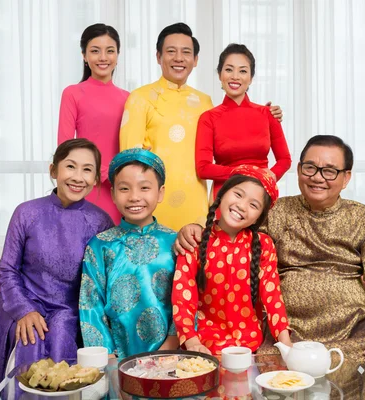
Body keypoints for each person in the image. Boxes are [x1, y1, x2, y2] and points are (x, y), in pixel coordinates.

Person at [175, 135, 365, 398]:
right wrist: (193, 227)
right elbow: (232, 223)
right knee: (268, 364)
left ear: (346, 177)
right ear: (298, 170)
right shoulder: (275, 210)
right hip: (288, 330)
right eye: (310, 167)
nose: (318, 177)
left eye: (330, 171)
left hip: (351, 328)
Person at [0, 139, 114, 399]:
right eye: (70, 166)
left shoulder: (100, 220)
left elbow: (102, 279)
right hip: (25, 299)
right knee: (30, 342)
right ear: (53, 171)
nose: (78, 177)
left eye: (87, 170)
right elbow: (7, 270)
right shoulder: (26, 213)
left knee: (61, 342)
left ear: (96, 179)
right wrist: (24, 310)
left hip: (69, 308)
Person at [119, 23, 283, 230]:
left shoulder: (204, 101)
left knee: (198, 258)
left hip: (196, 203)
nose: (179, 58)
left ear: (195, 60)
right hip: (154, 201)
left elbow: (231, 136)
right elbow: (127, 160)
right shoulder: (139, 98)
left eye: (186, 52)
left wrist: (267, 115)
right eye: (171, 51)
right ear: (158, 57)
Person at [171, 165, 292, 355]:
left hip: (250, 347)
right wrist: (192, 342)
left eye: (254, 205)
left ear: (258, 218)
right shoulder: (195, 240)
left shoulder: (264, 245)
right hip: (204, 347)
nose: (242, 206)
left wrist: (286, 345)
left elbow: (273, 296)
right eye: (238, 195)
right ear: (222, 194)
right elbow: (182, 297)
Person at [79, 148, 178, 357]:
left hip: (170, 354)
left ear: (160, 193)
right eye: (124, 189)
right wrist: (106, 355)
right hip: (117, 356)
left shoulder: (176, 243)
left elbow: (187, 300)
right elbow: (91, 303)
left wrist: (171, 344)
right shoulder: (99, 246)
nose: (134, 197)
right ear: (113, 194)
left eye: (144, 188)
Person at [195, 44, 291, 198]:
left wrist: (270, 177)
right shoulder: (209, 118)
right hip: (226, 195)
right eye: (229, 69)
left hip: (262, 192)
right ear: (220, 75)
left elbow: (285, 159)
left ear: (251, 78)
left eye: (243, 71)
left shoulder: (268, 113)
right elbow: (203, 168)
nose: (235, 76)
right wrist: (247, 173)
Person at [58, 23, 129, 224]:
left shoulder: (130, 98)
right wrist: (97, 172)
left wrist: (121, 178)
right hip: (84, 184)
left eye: (110, 51)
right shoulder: (72, 93)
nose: (103, 57)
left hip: (118, 188)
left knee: (114, 249)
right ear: (84, 55)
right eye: (95, 51)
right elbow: (64, 148)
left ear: (118, 55)